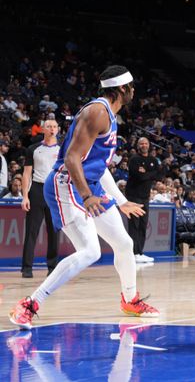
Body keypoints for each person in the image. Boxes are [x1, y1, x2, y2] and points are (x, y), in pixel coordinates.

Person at [9, 66, 159, 330]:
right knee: (90, 251)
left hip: (88, 185)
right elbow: (71, 158)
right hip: (66, 184)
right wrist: (87, 196)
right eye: (132, 86)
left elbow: (97, 168)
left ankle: (130, 300)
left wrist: (120, 200)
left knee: (124, 244)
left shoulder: (110, 117)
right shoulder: (97, 112)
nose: (134, 90)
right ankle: (29, 304)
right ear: (123, 89)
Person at [20, 118, 61, 278]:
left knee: (54, 231)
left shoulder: (63, 149)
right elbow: (26, 174)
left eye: (54, 126)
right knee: (31, 230)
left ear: (58, 129)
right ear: (43, 129)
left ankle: (52, 267)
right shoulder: (33, 149)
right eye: (48, 126)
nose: (52, 129)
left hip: (55, 191)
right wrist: (25, 196)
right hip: (37, 190)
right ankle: (26, 268)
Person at [125, 137, 161, 263]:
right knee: (134, 225)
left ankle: (140, 252)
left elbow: (159, 175)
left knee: (143, 225)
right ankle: (133, 253)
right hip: (133, 196)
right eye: (141, 144)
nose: (144, 145)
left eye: (146, 143)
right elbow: (139, 176)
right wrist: (151, 173)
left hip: (145, 197)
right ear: (138, 145)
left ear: (149, 145)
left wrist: (147, 173)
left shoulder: (153, 160)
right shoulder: (134, 159)